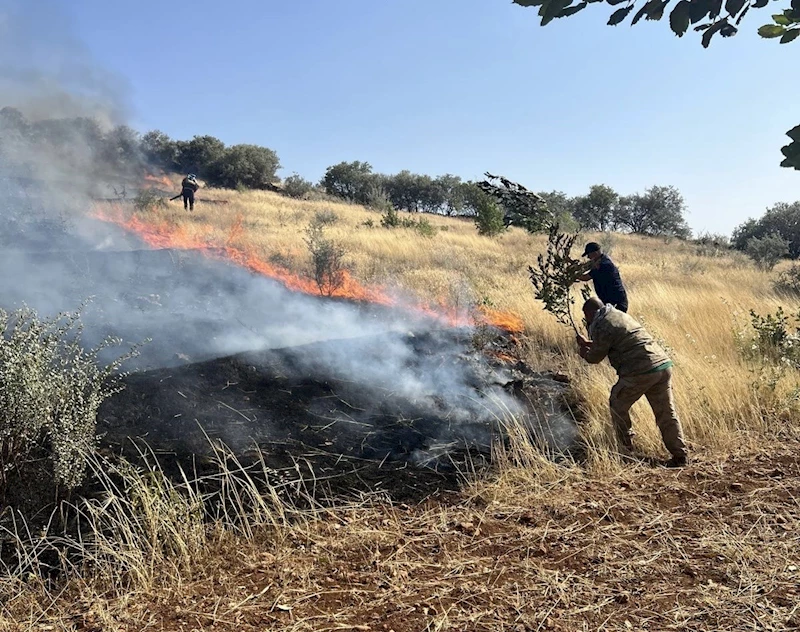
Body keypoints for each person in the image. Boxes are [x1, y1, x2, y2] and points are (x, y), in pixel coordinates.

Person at [576, 297, 688, 468]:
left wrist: (583, 350)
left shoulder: (602, 324)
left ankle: (626, 451)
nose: (587, 320)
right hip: (662, 365)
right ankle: (680, 454)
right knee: (666, 412)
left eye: (586, 316)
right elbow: (617, 341)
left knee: (617, 403)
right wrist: (590, 344)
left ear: (590, 312)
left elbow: (595, 357)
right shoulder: (617, 315)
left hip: (641, 370)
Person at [576, 242, 628, 313]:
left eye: (589, 254)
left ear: (595, 253)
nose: (588, 257)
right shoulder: (602, 261)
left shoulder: (602, 265)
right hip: (611, 302)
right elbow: (585, 267)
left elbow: (585, 277)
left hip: (616, 303)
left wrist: (572, 275)